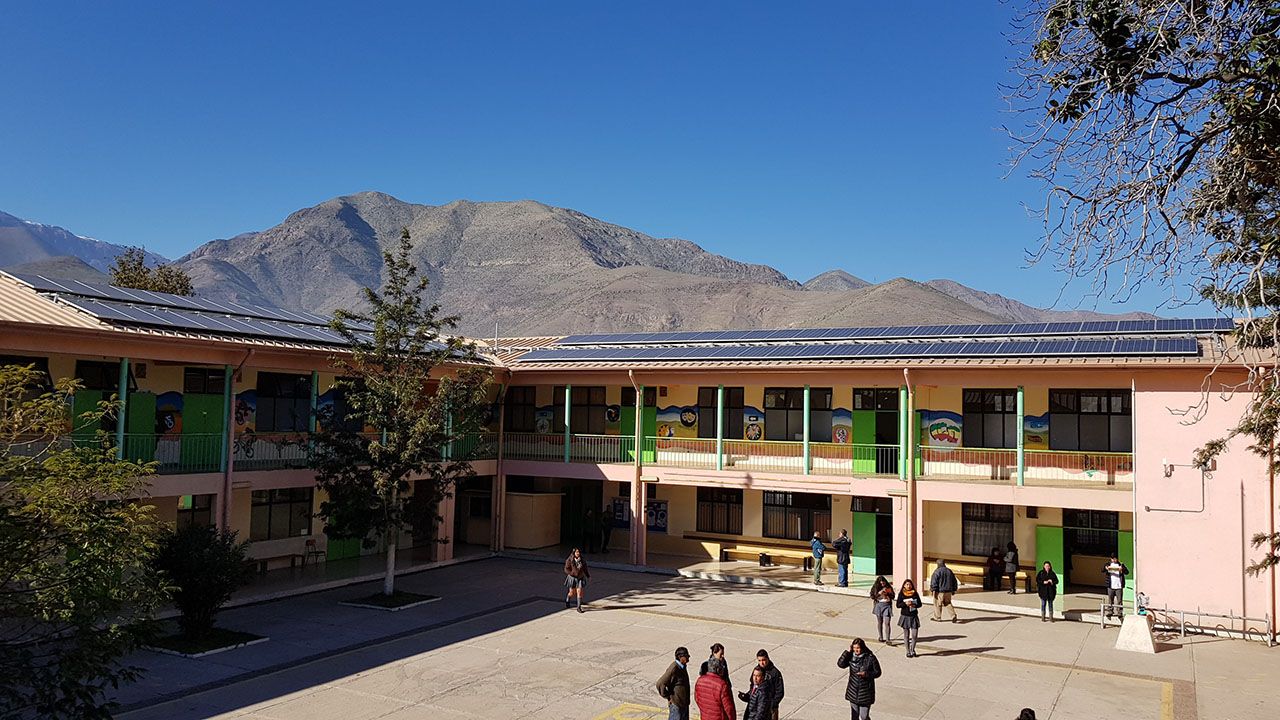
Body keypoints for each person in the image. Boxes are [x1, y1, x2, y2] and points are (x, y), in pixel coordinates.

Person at [837, 637, 882, 720]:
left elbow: (878, 672)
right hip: (853, 691)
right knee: (854, 716)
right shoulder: (851, 656)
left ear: (862, 647)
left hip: (865, 693)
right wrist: (847, 652)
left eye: (858, 648)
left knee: (864, 716)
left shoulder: (870, 658)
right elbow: (841, 664)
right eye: (854, 648)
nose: (856, 650)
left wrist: (866, 674)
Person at [656, 646, 692, 720]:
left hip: (684, 704)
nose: (688, 658)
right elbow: (660, 683)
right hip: (677, 706)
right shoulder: (674, 669)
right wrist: (668, 697)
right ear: (680, 657)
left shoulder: (683, 666)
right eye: (686, 656)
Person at [747, 649, 784, 720]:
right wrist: (748, 696)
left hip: (771, 708)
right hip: (757, 706)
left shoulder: (775, 673)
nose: (762, 663)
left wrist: (772, 704)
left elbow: (780, 692)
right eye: (759, 660)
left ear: (768, 658)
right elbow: (752, 685)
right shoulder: (757, 670)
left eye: (763, 660)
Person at [896, 579, 922, 658]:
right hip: (905, 616)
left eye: (910, 584)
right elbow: (898, 605)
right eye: (907, 584)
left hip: (913, 616)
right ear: (904, 585)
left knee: (914, 635)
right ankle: (907, 651)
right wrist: (905, 603)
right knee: (906, 635)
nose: (908, 586)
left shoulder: (914, 593)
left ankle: (913, 649)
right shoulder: (902, 594)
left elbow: (920, 604)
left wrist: (914, 604)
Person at [1103, 554, 1130, 619]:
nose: (1113, 560)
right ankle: (1110, 611)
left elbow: (1127, 572)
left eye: (1115, 558)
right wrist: (1105, 568)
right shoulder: (1108, 564)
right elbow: (1102, 570)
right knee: (1110, 599)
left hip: (1119, 586)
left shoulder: (1121, 564)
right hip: (1111, 585)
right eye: (1112, 559)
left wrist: (1122, 569)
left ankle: (1119, 612)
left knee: (1119, 600)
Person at [563, 547, 590, 613]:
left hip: (580, 577)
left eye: (579, 552)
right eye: (576, 552)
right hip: (572, 578)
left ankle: (579, 607)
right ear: (574, 553)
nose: (578, 553)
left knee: (579, 592)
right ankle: (568, 599)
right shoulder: (569, 560)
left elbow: (585, 568)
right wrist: (571, 573)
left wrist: (587, 575)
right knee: (572, 593)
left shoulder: (582, 560)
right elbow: (566, 569)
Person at [869, 576, 894, 645]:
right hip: (879, 605)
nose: (883, 584)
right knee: (880, 622)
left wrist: (888, 594)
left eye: (884, 583)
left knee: (887, 623)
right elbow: (872, 596)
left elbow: (893, 596)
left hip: (887, 606)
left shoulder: (888, 587)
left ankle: (888, 639)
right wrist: (879, 593)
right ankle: (881, 636)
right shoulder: (875, 588)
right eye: (881, 583)